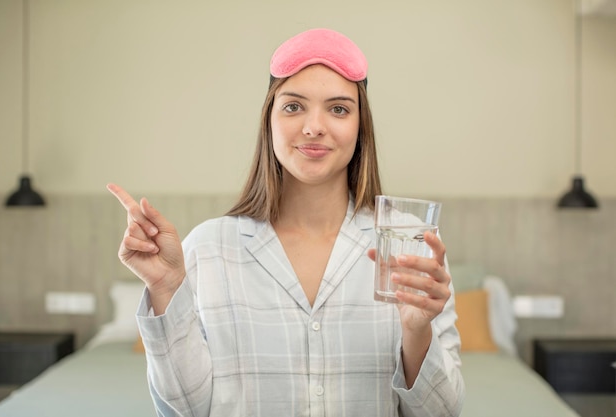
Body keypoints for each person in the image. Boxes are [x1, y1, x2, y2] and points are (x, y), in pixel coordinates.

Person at [108, 28, 464, 417]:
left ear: (361, 127)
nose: (314, 127)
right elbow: (184, 411)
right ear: (270, 121)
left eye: (339, 109)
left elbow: (442, 413)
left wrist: (416, 332)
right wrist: (164, 288)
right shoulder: (208, 248)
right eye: (293, 107)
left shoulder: (410, 244)